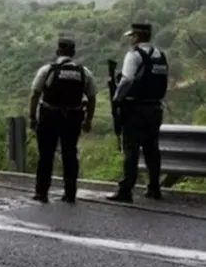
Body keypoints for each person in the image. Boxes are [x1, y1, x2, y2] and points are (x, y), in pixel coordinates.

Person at [28, 38, 97, 204]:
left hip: (49, 116)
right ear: (73, 53)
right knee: (70, 154)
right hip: (73, 118)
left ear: (57, 52)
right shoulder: (84, 72)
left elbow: (35, 94)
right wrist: (88, 120)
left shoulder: (47, 70)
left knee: (46, 155)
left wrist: (32, 117)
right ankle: (70, 193)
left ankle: (42, 192)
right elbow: (92, 97)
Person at [108, 23, 168, 203]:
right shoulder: (160, 55)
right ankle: (154, 188)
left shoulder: (134, 55)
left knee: (131, 150)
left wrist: (117, 98)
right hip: (155, 108)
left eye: (131, 36)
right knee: (152, 150)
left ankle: (126, 190)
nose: (130, 40)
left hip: (135, 109)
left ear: (136, 37)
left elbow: (127, 80)